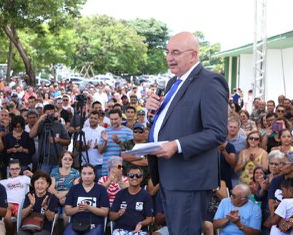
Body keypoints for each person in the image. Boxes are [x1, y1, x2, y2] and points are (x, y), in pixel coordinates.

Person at [145, 32, 228, 234]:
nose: (169, 57)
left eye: (175, 52)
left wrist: (177, 145)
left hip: (189, 178)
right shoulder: (173, 83)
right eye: (168, 52)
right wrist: (152, 113)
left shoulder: (210, 82)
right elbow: (169, 123)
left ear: (193, 55)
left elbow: (217, 132)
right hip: (169, 174)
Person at [64, 164, 109, 235]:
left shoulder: (101, 189)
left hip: (95, 224)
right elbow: (67, 211)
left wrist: (89, 208)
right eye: (84, 173)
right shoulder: (74, 189)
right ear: (81, 175)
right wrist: (79, 208)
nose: (87, 176)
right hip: (76, 224)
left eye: (90, 173)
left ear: (94, 175)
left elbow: (104, 212)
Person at [109, 166, 153, 235]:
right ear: (128, 178)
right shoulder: (120, 194)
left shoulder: (146, 195)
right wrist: (118, 214)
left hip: (139, 231)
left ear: (141, 178)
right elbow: (111, 216)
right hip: (120, 229)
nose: (134, 178)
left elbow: (149, 218)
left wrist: (141, 223)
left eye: (138, 176)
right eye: (131, 175)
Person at [29, 104, 70, 174]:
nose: (50, 116)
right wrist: (39, 120)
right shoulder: (41, 124)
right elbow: (31, 135)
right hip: (43, 162)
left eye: (52, 113)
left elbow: (68, 141)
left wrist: (58, 140)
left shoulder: (59, 125)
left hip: (56, 161)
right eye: (48, 114)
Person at [18, 170, 59, 235]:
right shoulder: (29, 195)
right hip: (27, 226)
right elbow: (22, 216)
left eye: (42, 183)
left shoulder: (52, 197)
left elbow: (51, 218)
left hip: (44, 228)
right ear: (33, 184)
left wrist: (45, 206)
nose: (39, 186)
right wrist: (31, 205)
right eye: (37, 183)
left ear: (47, 184)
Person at [0, 160, 32, 235]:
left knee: (22, 219)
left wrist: (31, 174)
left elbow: (37, 183)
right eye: (12, 169)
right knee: (7, 218)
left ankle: (17, 232)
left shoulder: (25, 178)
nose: (14, 171)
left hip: (20, 205)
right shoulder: (5, 181)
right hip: (8, 204)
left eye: (17, 168)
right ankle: (12, 232)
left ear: (20, 169)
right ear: (8, 169)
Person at [98, 108, 133, 176]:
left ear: (121, 118)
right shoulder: (105, 131)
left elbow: (130, 150)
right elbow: (100, 151)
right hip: (106, 169)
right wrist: (105, 141)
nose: (113, 121)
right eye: (111, 119)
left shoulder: (128, 131)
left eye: (116, 119)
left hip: (121, 168)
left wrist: (118, 141)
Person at [48, 151, 80, 226]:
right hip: (56, 198)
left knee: (66, 217)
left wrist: (64, 195)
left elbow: (75, 189)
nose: (67, 161)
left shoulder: (76, 173)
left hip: (69, 199)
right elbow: (50, 188)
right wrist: (58, 196)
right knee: (53, 217)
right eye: (65, 159)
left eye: (70, 159)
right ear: (61, 160)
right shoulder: (54, 171)